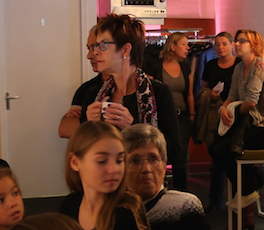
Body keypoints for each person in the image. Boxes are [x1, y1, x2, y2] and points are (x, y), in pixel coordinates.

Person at [83, 14, 180, 172]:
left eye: (103, 45)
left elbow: (174, 153)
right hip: (107, 180)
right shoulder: (94, 95)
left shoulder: (159, 92)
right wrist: (90, 126)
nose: (95, 53)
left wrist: (134, 128)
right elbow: (84, 151)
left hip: (142, 181)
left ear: (125, 49)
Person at [211, 29, 264, 229]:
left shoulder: (259, 66)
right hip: (247, 123)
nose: (237, 44)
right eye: (236, 40)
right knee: (215, 147)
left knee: (225, 149)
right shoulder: (238, 67)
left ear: (254, 46)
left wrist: (232, 114)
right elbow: (232, 95)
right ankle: (249, 190)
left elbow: (251, 102)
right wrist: (223, 109)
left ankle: (247, 198)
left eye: (242, 41)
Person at [151, 32, 195, 193]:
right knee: (160, 154)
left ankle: (181, 194)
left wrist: (192, 116)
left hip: (182, 116)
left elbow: (189, 93)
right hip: (162, 116)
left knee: (180, 158)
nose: (188, 48)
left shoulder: (185, 66)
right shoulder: (156, 65)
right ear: (173, 46)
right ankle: (159, 192)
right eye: (184, 44)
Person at [198, 31, 237, 211]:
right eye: (218, 44)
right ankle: (216, 201)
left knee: (233, 158)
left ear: (232, 45)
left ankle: (238, 200)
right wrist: (210, 96)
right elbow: (203, 89)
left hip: (234, 114)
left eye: (224, 44)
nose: (221, 47)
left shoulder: (239, 64)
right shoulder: (211, 65)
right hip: (214, 115)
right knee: (215, 159)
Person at [59, 26, 105, 139]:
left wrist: (86, 123)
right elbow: (65, 129)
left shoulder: (142, 89)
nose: (89, 56)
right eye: (89, 49)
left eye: (96, 47)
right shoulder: (87, 89)